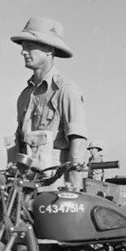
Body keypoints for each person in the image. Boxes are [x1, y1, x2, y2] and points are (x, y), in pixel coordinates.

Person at [11, 16, 88, 189]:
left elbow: (78, 144)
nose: (23, 52)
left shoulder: (65, 91)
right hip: (27, 183)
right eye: (23, 47)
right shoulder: (25, 96)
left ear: (49, 49)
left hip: (56, 186)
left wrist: (73, 193)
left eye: (29, 46)